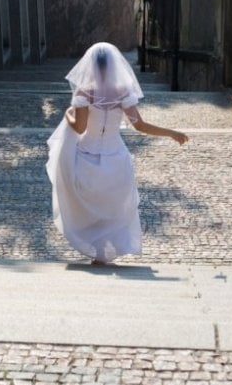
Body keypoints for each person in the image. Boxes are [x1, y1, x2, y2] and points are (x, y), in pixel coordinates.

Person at [46, 42, 188, 264]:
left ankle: (98, 250)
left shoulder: (85, 91)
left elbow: (80, 128)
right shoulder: (122, 91)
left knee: (90, 204)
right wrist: (171, 132)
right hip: (115, 157)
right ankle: (103, 250)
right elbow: (139, 125)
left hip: (87, 156)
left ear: (90, 65)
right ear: (114, 65)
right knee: (111, 206)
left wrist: (67, 113)